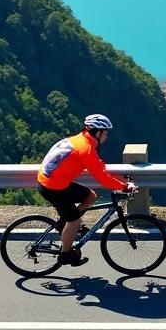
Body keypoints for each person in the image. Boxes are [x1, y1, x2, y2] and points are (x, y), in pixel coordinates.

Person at [37, 113, 137, 266]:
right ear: (98, 133)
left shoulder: (80, 139)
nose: (107, 136)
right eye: (106, 133)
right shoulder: (86, 149)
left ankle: (68, 224)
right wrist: (124, 186)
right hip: (54, 188)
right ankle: (66, 254)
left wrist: (119, 179)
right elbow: (102, 179)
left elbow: (97, 165)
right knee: (74, 222)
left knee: (90, 196)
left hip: (54, 182)